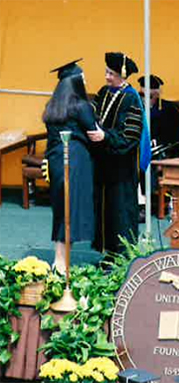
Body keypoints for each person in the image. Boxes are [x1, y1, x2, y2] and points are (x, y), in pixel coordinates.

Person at [88, 52, 144, 256]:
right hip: (102, 162)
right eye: (106, 72)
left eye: (111, 73)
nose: (107, 77)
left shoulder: (132, 99)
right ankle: (105, 252)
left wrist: (106, 137)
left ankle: (122, 255)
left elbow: (130, 136)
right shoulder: (104, 92)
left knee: (120, 210)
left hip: (121, 165)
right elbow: (93, 115)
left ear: (122, 75)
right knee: (103, 208)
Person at [43, 59, 96, 273]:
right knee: (71, 211)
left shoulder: (52, 106)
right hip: (76, 160)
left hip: (55, 158)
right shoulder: (81, 106)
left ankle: (59, 259)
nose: (85, 82)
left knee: (61, 209)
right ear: (75, 83)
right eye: (82, 79)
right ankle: (62, 264)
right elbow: (93, 132)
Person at [137, 74, 179, 222]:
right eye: (143, 95)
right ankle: (135, 202)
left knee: (148, 162)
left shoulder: (169, 109)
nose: (146, 99)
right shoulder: (135, 108)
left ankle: (145, 204)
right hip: (137, 148)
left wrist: (158, 141)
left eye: (150, 95)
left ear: (156, 94)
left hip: (163, 150)